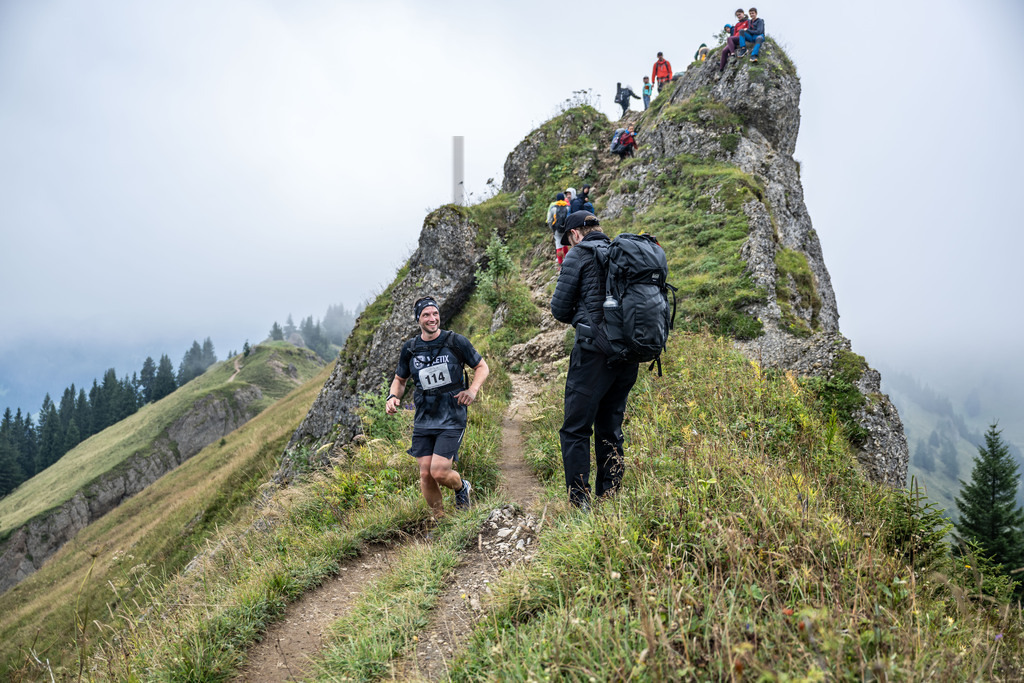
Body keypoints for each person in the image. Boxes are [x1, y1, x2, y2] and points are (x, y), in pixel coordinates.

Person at [550, 212, 640, 509]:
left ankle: (580, 501)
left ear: (576, 233)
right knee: (610, 427)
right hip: (628, 355)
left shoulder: (578, 256)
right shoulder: (622, 252)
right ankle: (610, 497)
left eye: (567, 238)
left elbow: (560, 309)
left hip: (592, 356)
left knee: (575, 429)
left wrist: (582, 310)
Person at [385, 297, 489, 515]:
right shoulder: (411, 348)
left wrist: (472, 391)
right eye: (426, 315)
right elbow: (400, 379)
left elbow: (481, 367)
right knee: (425, 474)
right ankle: (440, 520)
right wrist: (393, 396)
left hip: (452, 415)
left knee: (439, 472)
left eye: (435, 314)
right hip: (424, 417)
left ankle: (462, 487)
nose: (432, 319)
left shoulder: (455, 342)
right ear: (418, 319)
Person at [547, 193, 572, 265]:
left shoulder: (553, 208)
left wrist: (552, 229)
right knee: (565, 243)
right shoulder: (568, 207)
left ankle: (560, 263)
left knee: (558, 244)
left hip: (557, 229)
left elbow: (549, 220)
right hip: (565, 228)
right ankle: (567, 260)